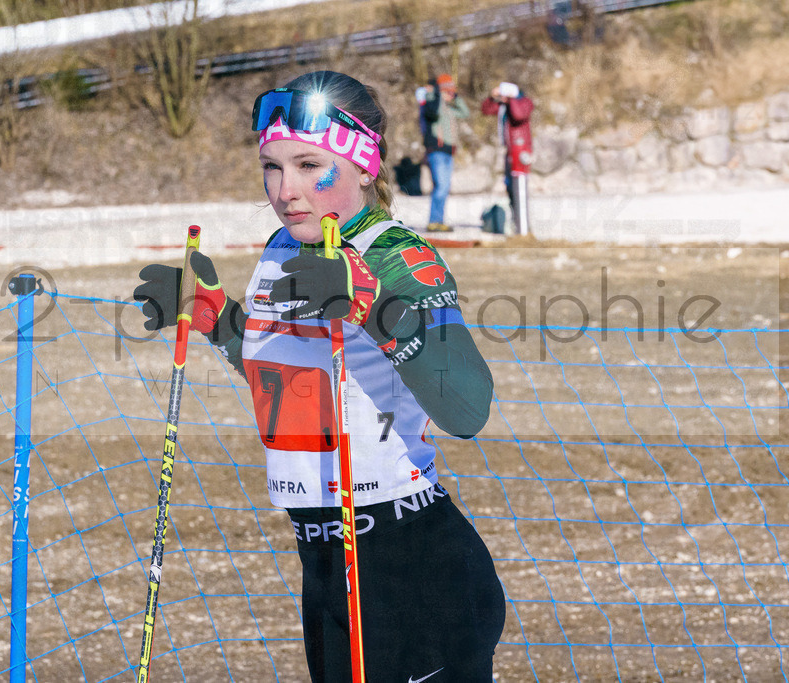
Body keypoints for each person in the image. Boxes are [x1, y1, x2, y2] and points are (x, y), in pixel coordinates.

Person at [133, 70, 504, 682]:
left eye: (309, 165)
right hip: (326, 561)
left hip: (411, 568)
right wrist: (219, 322)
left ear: (363, 165)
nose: (287, 190)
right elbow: (292, 381)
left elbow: (469, 409)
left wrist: (375, 307)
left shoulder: (394, 254)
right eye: (272, 167)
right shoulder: (282, 249)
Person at [416, 73, 469, 232]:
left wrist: (456, 98)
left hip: (448, 152)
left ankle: (438, 221)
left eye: (453, 92)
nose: (451, 94)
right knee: (441, 186)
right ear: (441, 91)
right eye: (449, 91)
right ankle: (434, 221)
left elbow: (465, 113)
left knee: (444, 188)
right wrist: (437, 94)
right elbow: (433, 113)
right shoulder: (431, 103)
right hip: (436, 150)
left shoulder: (449, 109)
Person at [481, 81, 534, 235]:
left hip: (520, 151)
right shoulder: (504, 106)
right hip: (509, 152)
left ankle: (523, 228)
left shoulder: (524, 102)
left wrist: (510, 99)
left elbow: (519, 115)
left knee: (520, 188)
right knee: (510, 188)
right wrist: (492, 97)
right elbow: (486, 110)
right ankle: (516, 222)